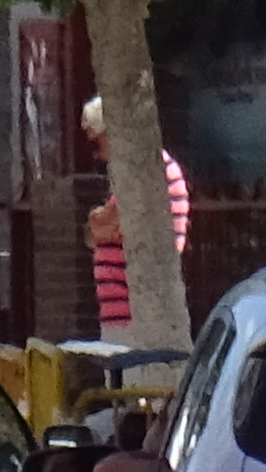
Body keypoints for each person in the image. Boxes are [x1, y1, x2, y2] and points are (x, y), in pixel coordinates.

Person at [80, 94, 190, 337]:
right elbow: (95, 231)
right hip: (128, 315)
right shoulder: (138, 170)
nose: (97, 155)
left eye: (96, 144)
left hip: (137, 319)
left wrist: (98, 223)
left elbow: (101, 227)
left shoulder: (146, 169)